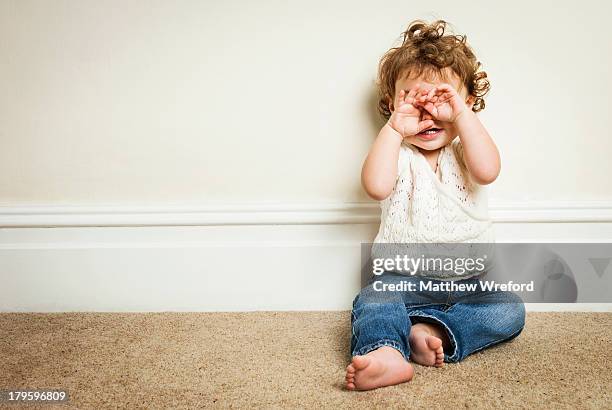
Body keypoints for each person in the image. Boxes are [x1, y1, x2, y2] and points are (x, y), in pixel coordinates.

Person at [345, 19, 525, 391]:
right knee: (374, 298)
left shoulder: (465, 152)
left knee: (510, 308)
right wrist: (394, 130)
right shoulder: (397, 152)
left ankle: (434, 331)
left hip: (471, 283)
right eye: (412, 99)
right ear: (391, 105)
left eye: (442, 99)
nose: (428, 113)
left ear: (469, 102)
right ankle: (386, 352)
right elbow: (377, 187)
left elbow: (488, 171)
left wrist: (460, 115)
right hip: (402, 280)